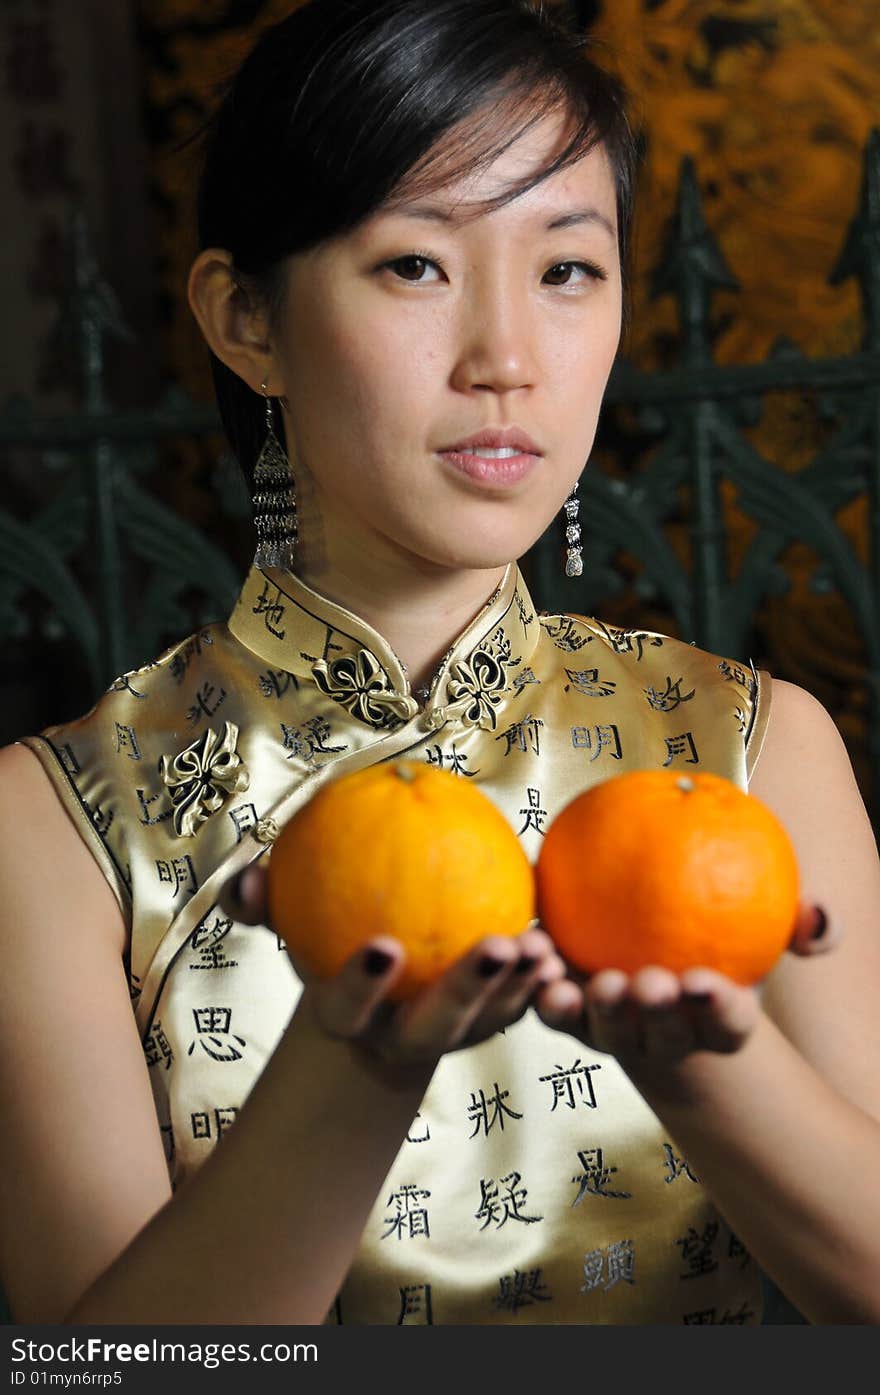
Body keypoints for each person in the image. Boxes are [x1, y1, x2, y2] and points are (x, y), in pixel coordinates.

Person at [1, 0, 878, 1328]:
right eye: (416, 264)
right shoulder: (55, 822)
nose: (506, 360)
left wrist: (703, 1071)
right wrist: (350, 1077)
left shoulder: (752, 744)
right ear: (246, 321)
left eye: (567, 270)